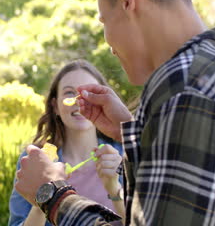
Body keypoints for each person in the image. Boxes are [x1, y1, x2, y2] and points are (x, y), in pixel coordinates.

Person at [14, 0, 215, 225]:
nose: (110, 46)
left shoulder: (186, 92)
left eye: (104, 20)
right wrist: (133, 133)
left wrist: (52, 195)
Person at [8, 59, 126, 226]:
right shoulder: (35, 159)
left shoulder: (123, 155)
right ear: (55, 106)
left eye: (89, 93)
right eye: (70, 93)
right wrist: (43, 198)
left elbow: (144, 221)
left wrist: (115, 190)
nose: (79, 101)